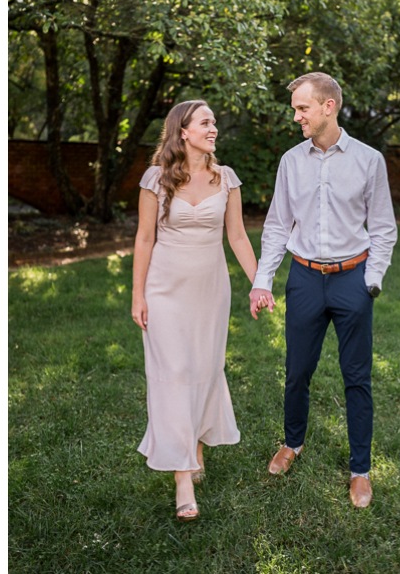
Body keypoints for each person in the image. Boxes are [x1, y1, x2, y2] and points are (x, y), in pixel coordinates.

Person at [248, 72, 397, 509]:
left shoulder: (369, 160)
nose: (296, 117)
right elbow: (277, 226)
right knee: (297, 371)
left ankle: (360, 470)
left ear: (328, 106)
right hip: (306, 279)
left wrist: (372, 279)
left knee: (357, 378)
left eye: (302, 108)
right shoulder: (291, 161)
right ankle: (292, 443)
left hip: (354, 278)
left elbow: (384, 229)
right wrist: (263, 280)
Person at [131, 100, 266, 521]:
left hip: (211, 290)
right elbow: (144, 239)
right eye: (205, 123)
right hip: (165, 288)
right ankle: (183, 476)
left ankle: (195, 448)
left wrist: (259, 282)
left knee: (204, 370)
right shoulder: (156, 179)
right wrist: (138, 295)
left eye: (214, 123)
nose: (214, 129)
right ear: (183, 131)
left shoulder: (226, 178)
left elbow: (239, 237)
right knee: (173, 374)